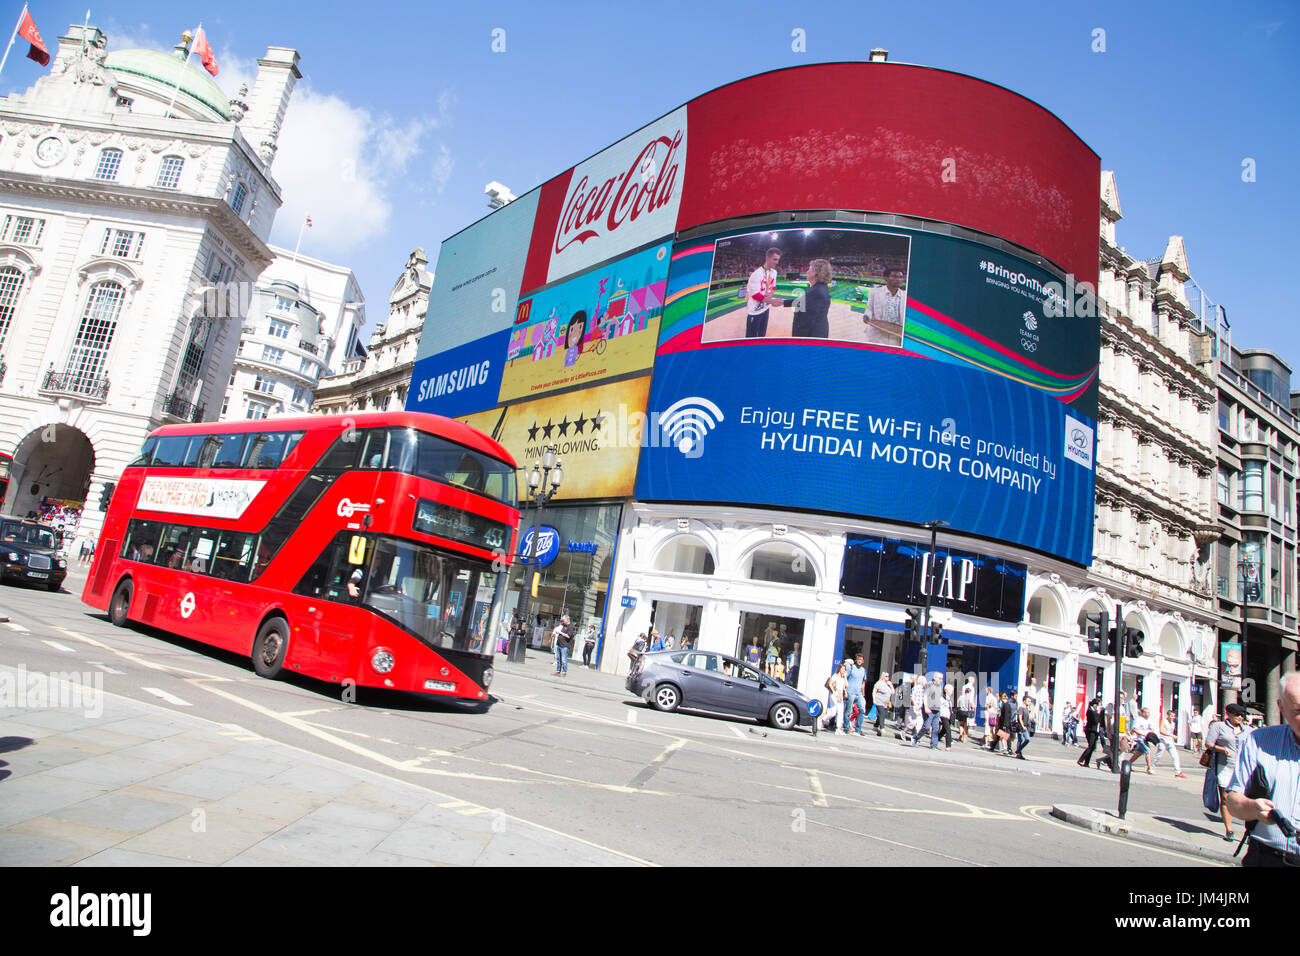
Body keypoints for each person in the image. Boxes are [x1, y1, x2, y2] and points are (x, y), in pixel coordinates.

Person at [1224, 673, 1300, 867]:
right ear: (1281, 707)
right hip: (1266, 858)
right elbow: (1232, 801)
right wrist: (1254, 809)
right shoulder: (1259, 741)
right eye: (1298, 710)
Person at [1205, 702, 1249, 841]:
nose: (1240, 718)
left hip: (1243, 769)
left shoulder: (1247, 730)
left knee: (1246, 801)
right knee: (1225, 799)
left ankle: (1250, 832)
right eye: (1237, 715)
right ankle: (1229, 831)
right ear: (1228, 714)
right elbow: (1209, 743)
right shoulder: (1218, 726)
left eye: (1242, 715)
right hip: (1224, 766)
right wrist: (1222, 750)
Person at [782, 258, 832, 338]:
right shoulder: (819, 288)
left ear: (815, 272)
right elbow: (803, 301)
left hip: (811, 338)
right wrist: (782, 302)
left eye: (809, 269)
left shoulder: (817, 291)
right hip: (816, 335)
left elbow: (805, 320)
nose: (807, 272)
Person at [744, 247, 781, 338]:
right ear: (768, 258)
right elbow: (755, 295)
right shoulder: (756, 274)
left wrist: (771, 294)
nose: (777, 262)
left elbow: (773, 287)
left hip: (765, 308)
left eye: (778, 260)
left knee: (761, 336)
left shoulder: (774, 272)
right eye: (775, 259)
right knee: (751, 338)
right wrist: (772, 301)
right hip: (755, 311)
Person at [1151, 709, 1186, 778]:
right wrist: (1170, 735)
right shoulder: (1164, 721)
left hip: (1169, 742)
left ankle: (1177, 772)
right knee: (1159, 755)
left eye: (1174, 716)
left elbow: (1171, 732)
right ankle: (1151, 767)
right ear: (1168, 715)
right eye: (1171, 716)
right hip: (1162, 741)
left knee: (1175, 756)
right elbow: (1161, 731)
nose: (1173, 717)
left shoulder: (1173, 723)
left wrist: (1172, 740)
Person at [914, 674, 944, 750]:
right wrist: (926, 707)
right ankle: (916, 737)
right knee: (926, 727)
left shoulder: (940, 686)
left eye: (942, 679)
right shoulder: (929, 684)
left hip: (937, 710)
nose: (941, 680)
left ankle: (934, 745)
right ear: (935, 678)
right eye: (939, 678)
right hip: (929, 709)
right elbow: (925, 696)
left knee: (936, 728)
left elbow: (939, 698)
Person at [820, 663, 849, 735]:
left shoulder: (843, 678)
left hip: (840, 696)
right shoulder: (835, 676)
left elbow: (847, 685)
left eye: (844, 669)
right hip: (834, 695)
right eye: (842, 669)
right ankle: (822, 720)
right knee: (834, 711)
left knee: (840, 712)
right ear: (839, 669)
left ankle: (838, 728)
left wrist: (845, 677)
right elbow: (830, 684)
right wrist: (834, 692)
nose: (843, 670)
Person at [845, 654, 868, 736]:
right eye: (858, 659)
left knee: (861, 711)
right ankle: (846, 727)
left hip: (858, 693)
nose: (859, 661)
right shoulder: (851, 668)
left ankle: (858, 729)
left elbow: (863, 682)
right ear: (855, 660)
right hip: (850, 692)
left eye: (861, 659)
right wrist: (845, 689)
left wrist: (863, 693)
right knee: (848, 711)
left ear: (863, 661)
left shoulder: (863, 670)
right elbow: (845, 677)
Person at [871, 672, 894, 737]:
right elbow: (874, 692)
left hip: (886, 703)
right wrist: (874, 699)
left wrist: (891, 685)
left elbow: (893, 692)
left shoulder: (888, 684)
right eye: (886, 676)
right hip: (879, 701)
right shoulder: (879, 683)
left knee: (883, 714)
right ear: (883, 677)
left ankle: (875, 726)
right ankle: (882, 728)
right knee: (882, 714)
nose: (887, 678)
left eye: (888, 676)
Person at [1014, 692, 1033, 760]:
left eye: (1030, 701)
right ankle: (1019, 753)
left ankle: (1018, 750)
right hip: (1021, 726)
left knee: (1027, 739)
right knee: (1020, 739)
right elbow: (1019, 717)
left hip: (1025, 727)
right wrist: (1022, 725)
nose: (1029, 702)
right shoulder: (1021, 708)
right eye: (1028, 701)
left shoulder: (1027, 709)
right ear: (1024, 701)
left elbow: (1030, 718)